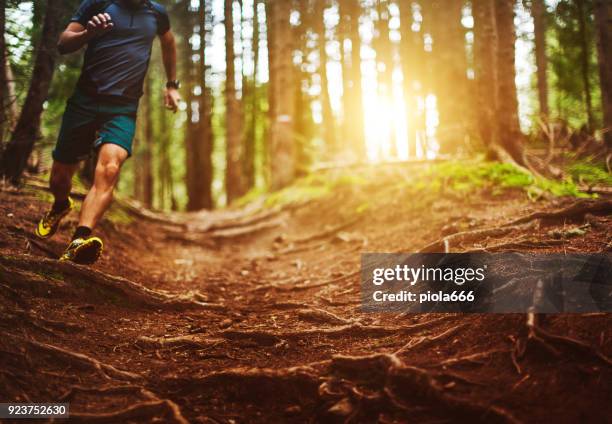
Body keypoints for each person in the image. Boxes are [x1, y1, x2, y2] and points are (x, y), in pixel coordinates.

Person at [35, 0, 181, 264]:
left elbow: (169, 42)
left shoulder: (156, 12)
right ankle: (60, 205)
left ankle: (78, 240)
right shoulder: (98, 4)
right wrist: (88, 34)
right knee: (59, 179)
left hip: (123, 108)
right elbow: (63, 43)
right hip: (85, 101)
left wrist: (172, 84)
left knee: (110, 168)